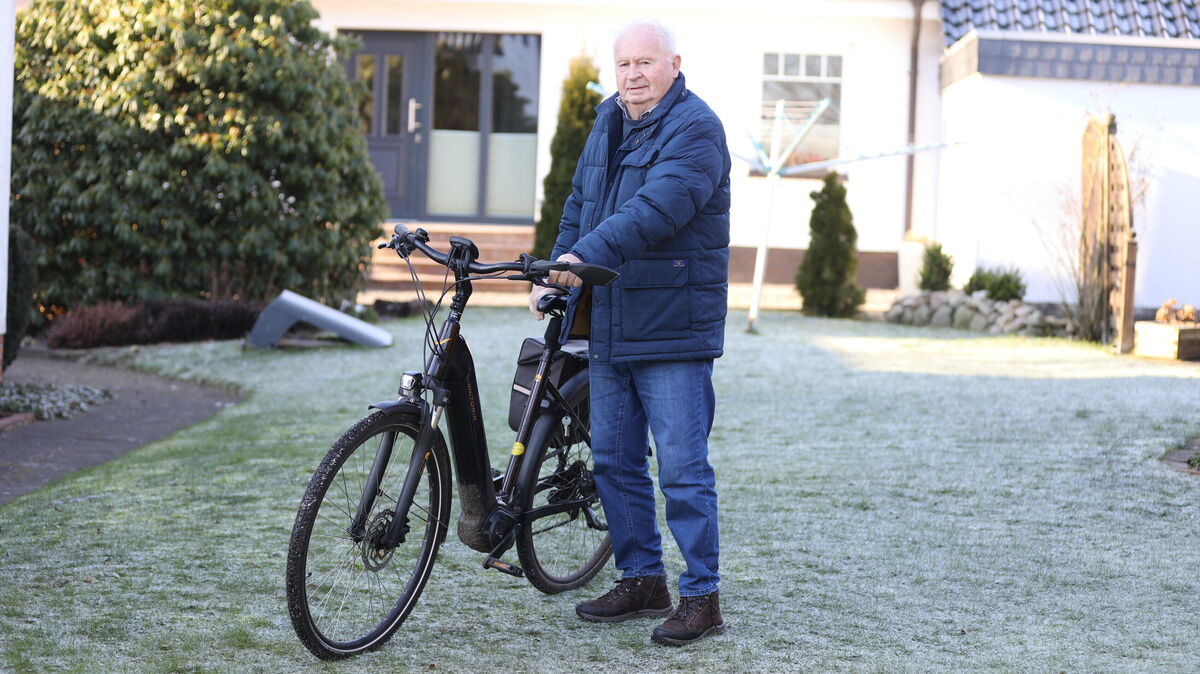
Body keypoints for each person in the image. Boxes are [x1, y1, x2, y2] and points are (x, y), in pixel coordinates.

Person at [528, 18, 731, 647]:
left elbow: (654, 212)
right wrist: (556, 269)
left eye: (646, 63)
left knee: (682, 469)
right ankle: (643, 579)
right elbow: (579, 205)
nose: (634, 75)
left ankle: (702, 597)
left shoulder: (697, 129)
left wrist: (575, 262)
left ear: (674, 63)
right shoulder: (608, 121)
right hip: (611, 320)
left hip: (672, 327)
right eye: (623, 65)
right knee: (613, 459)